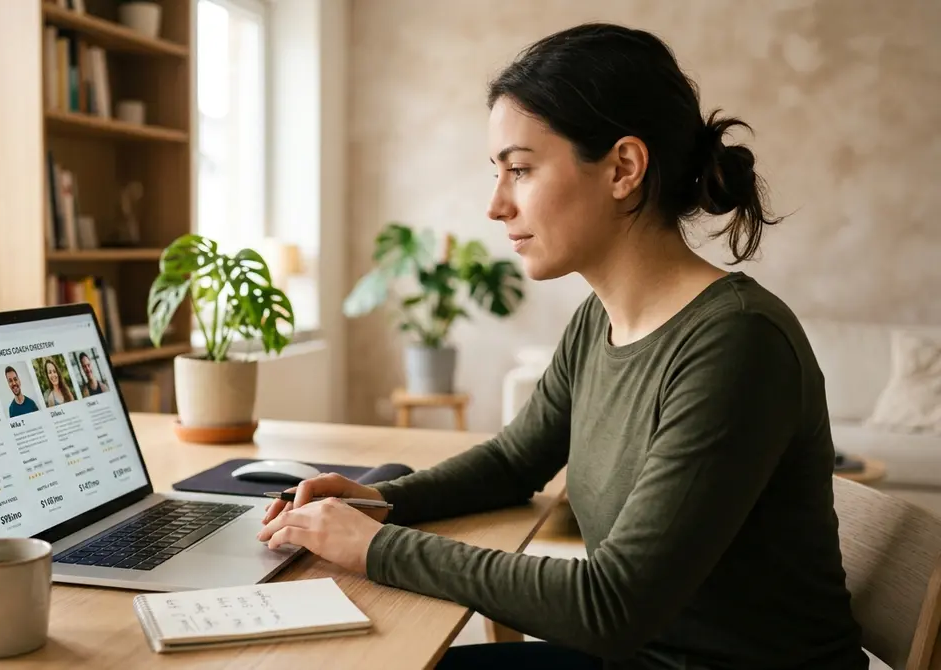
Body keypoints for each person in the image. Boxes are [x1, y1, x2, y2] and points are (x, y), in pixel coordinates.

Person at [258, 23, 866, 670]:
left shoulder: (738, 344)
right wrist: (379, 503)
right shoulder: (596, 322)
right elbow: (514, 462)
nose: (495, 206)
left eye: (519, 169)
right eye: (498, 173)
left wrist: (374, 548)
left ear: (623, 169)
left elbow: (610, 606)